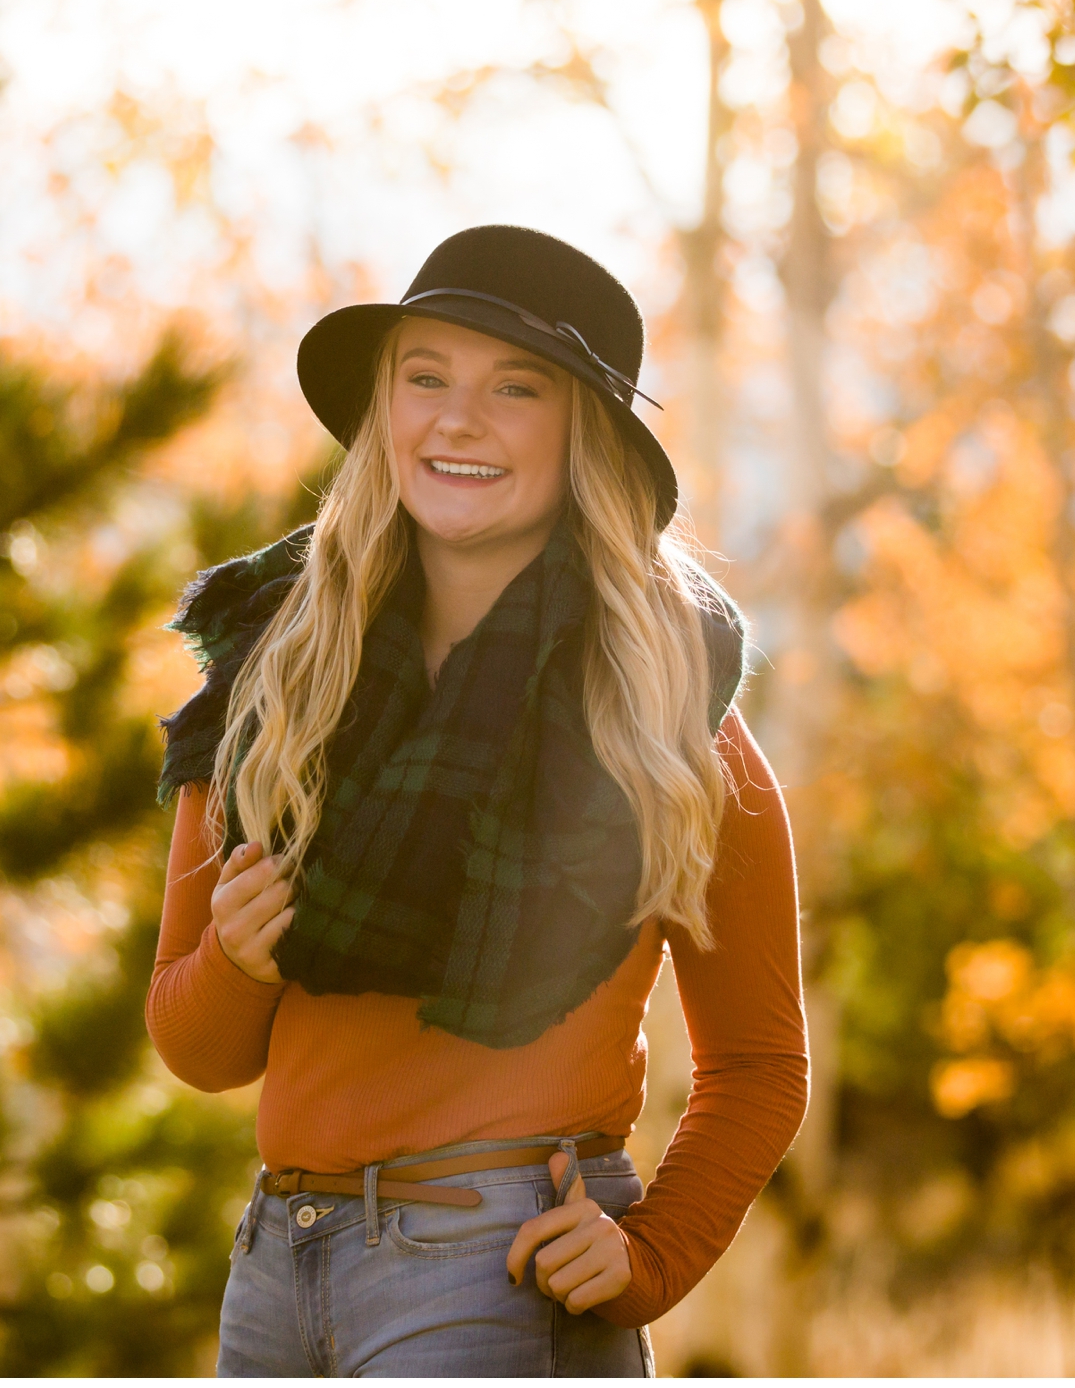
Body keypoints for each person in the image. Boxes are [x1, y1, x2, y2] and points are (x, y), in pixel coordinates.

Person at [146, 225, 808, 1377]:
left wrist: (653, 1255)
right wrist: (235, 966)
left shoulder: (663, 709)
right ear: (383, 411)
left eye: (516, 387)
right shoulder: (272, 681)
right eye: (425, 377)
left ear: (582, 432)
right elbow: (194, 1044)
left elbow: (758, 1063)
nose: (458, 419)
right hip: (274, 1270)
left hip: (498, 1268)